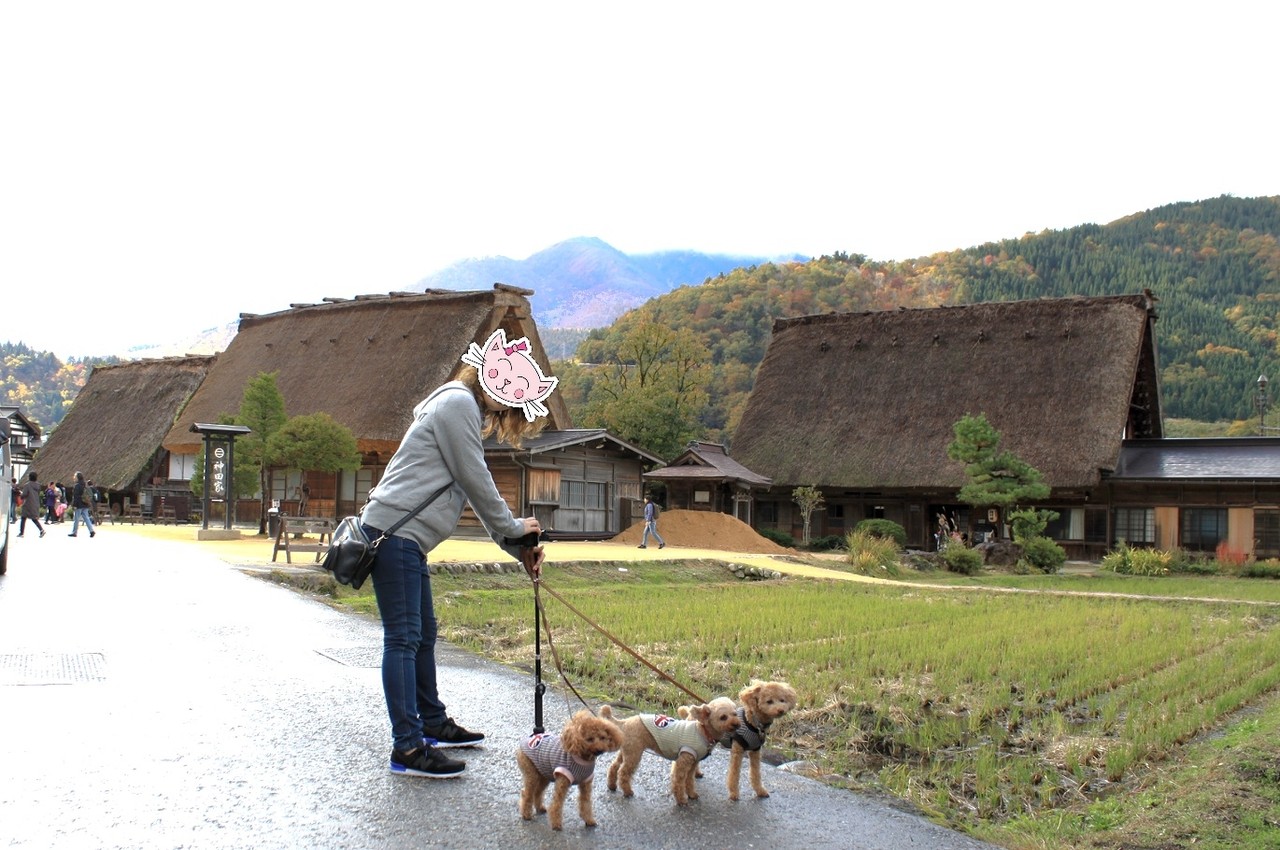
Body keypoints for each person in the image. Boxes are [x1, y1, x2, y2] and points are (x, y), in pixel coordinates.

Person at [362, 329, 557, 780]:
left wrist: (516, 547)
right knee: (404, 638)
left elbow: (473, 486)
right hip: (395, 534)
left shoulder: (457, 407)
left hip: (405, 538)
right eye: (513, 403)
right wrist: (514, 528)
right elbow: (476, 477)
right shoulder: (456, 405)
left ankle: (430, 724)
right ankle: (408, 749)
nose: (509, 415)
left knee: (422, 633)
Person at [68, 471, 96, 538]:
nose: (74, 477)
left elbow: (76, 497)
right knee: (86, 518)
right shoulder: (85, 485)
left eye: (75, 476)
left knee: (76, 519)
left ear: (77, 477)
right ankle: (91, 530)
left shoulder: (77, 486)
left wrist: (74, 505)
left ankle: (74, 532)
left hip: (79, 504)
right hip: (85, 503)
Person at [18, 472, 45, 538]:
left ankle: (21, 533)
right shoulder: (38, 486)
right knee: (34, 518)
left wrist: (21, 495)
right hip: (35, 503)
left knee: (23, 518)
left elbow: (24, 494)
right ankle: (41, 530)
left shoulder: (27, 485)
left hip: (28, 503)